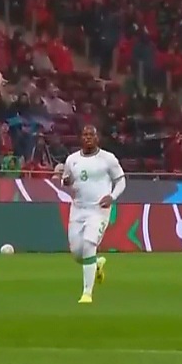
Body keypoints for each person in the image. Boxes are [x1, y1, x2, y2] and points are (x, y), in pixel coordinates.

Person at [58, 125, 126, 304]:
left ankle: (87, 293)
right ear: (81, 138)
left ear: (97, 138)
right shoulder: (72, 160)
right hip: (78, 209)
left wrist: (112, 196)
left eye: (91, 135)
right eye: (85, 134)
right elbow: (66, 180)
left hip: (98, 209)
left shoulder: (108, 159)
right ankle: (96, 264)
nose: (88, 137)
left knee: (89, 244)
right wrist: (66, 182)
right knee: (77, 253)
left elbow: (121, 181)